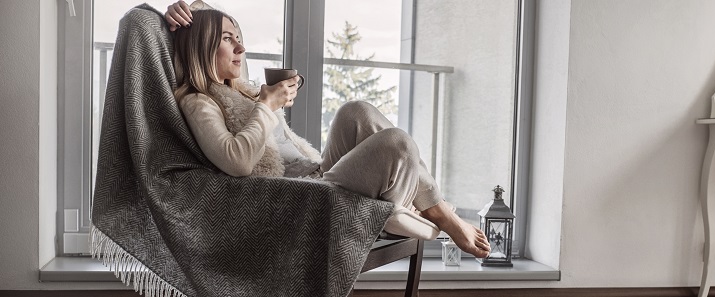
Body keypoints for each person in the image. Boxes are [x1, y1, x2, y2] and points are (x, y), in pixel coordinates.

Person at [165, 1, 491, 258]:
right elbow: (236, 162)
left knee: (356, 111)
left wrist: (263, 99)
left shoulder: (241, 90)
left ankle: (405, 210)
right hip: (298, 201)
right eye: (227, 40)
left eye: (240, 38)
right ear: (201, 46)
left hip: (316, 175)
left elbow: (208, 22)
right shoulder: (198, 101)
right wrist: (267, 106)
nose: (241, 48)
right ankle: (419, 213)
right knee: (397, 144)